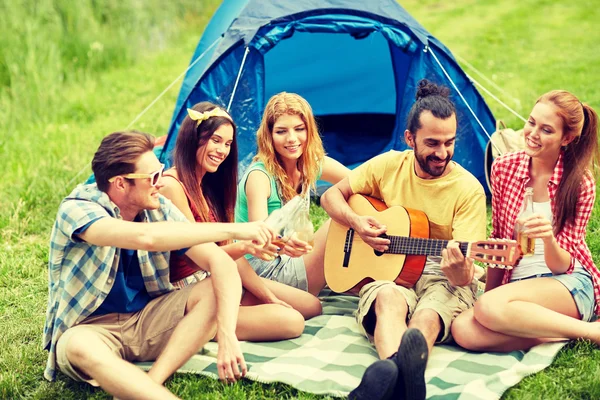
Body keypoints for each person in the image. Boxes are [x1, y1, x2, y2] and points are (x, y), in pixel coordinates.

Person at [43, 131, 275, 400]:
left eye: (161, 171)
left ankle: (152, 380)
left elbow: (219, 260)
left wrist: (227, 334)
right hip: (90, 327)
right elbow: (147, 238)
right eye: (152, 177)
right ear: (120, 183)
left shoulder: (158, 205)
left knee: (217, 287)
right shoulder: (78, 209)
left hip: (148, 319)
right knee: (79, 349)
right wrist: (241, 229)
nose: (160, 182)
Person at [320, 79, 487, 400]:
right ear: (410, 138)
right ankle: (403, 378)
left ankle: (390, 376)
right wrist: (358, 223)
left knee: (428, 313)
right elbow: (332, 196)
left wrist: (460, 271)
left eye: (450, 142)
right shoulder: (388, 165)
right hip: (389, 273)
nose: (443, 153)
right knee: (387, 300)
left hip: (442, 274)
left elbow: (465, 274)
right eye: (433, 143)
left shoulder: (468, 190)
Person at [159, 102, 322, 342]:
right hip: (189, 292)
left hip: (221, 278)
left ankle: (229, 316)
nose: (222, 151)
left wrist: (268, 296)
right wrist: (247, 246)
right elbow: (199, 257)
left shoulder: (210, 186)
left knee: (311, 305)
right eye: (215, 140)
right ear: (193, 138)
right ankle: (200, 326)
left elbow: (231, 259)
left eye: (227, 144)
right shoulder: (172, 186)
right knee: (292, 322)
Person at [451, 90, 600, 352]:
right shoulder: (504, 168)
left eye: (546, 130)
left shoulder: (580, 183)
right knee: (463, 329)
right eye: (531, 122)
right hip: (518, 286)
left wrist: (548, 239)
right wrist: (491, 293)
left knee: (489, 308)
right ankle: (554, 330)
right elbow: (499, 241)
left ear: (566, 138)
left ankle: (591, 332)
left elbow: (563, 265)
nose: (532, 134)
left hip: (566, 282)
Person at [235, 92, 350, 296]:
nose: (292, 139)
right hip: (264, 272)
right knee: (339, 221)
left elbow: (359, 181)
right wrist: (285, 243)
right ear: (269, 135)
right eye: (281, 131)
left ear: (309, 131)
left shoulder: (310, 164)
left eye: (299, 129)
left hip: (293, 259)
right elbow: (261, 242)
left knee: (357, 202)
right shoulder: (259, 177)